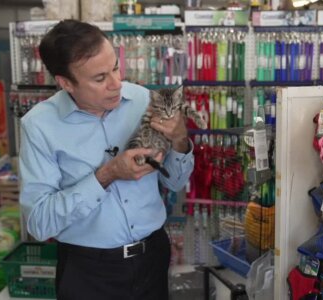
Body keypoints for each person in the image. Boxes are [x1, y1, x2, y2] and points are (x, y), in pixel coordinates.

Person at [19, 19, 194, 300]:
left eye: (115, 67)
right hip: (88, 271)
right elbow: (40, 223)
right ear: (66, 83)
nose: (116, 84)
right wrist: (107, 175)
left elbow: (176, 181)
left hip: (153, 257)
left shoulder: (142, 100)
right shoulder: (38, 126)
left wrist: (180, 140)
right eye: (100, 78)